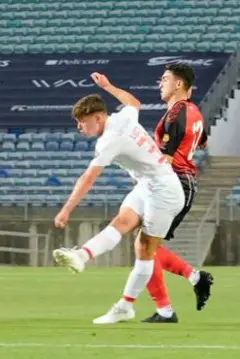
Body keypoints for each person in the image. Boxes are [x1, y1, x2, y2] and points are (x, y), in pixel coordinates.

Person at [52, 72, 185, 324]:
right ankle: (81, 256)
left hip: (165, 191)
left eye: (83, 121)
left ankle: (126, 306)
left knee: (144, 249)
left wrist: (66, 210)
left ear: (98, 117)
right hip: (148, 184)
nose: (80, 127)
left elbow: (88, 179)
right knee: (121, 222)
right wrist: (109, 86)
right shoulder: (122, 116)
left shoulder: (109, 141)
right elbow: (134, 102)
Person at [141, 64, 214, 323]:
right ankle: (193, 281)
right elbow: (202, 140)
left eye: (165, 79)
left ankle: (166, 309)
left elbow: (167, 160)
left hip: (175, 182)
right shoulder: (194, 111)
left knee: (145, 247)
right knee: (145, 245)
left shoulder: (176, 114)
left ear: (179, 84)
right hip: (184, 181)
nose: (160, 83)